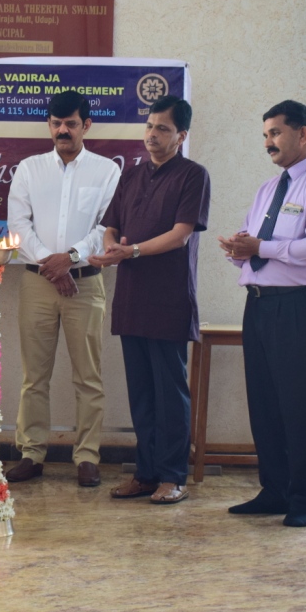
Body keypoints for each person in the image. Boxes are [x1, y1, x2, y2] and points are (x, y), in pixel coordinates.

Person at [219, 100, 306, 528]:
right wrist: (240, 251)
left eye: (275, 133)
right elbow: (258, 245)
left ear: (303, 134)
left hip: (299, 306)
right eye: (265, 135)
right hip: (259, 302)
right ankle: (274, 491)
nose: (268, 143)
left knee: (299, 402)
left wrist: (260, 247)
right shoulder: (268, 189)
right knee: (265, 402)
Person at [91, 95, 210, 505]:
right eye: (149, 126)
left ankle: (173, 476)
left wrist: (132, 251)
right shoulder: (133, 175)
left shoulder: (193, 175)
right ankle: (145, 474)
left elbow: (181, 235)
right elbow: (111, 225)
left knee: (169, 393)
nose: (152, 135)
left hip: (168, 299)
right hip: (131, 298)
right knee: (141, 393)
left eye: (163, 128)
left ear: (181, 135)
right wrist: (111, 247)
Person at [5, 90, 120, 488]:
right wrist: (51, 264)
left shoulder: (107, 171)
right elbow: (18, 225)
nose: (63, 131)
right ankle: (31, 453)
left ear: (86, 125)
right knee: (34, 376)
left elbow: (107, 227)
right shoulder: (30, 169)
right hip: (38, 282)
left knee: (88, 376)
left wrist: (69, 257)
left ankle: (87, 456)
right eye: (56, 124)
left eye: (71, 124)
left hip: (85, 284)